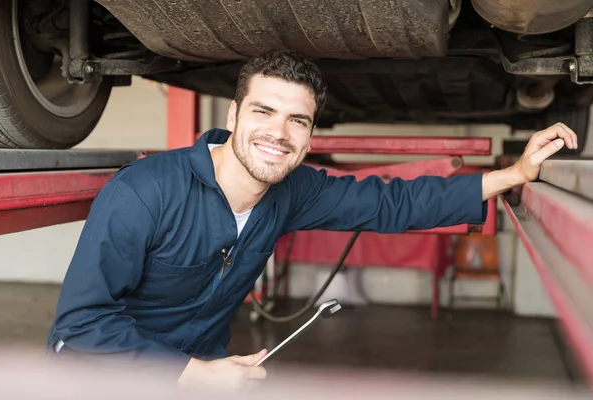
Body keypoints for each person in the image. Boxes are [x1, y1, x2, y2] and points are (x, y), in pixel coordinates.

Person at [46, 49, 578, 390]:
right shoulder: (144, 193)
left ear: (309, 136)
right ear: (232, 117)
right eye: (263, 112)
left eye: (297, 120)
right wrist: (190, 374)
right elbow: (79, 328)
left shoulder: (292, 191)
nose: (279, 133)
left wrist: (511, 175)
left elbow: (389, 204)